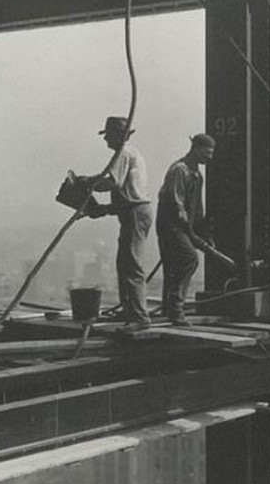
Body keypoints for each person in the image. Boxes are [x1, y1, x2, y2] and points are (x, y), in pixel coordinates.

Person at [81, 116, 153, 329]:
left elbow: (112, 183)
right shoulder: (130, 153)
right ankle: (129, 310)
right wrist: (103, 209)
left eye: (108, 135)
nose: (106, 140)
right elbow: (125, 194)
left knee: (131, 265)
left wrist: (88, 182)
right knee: (124, 264)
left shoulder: (123, 153)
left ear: (118, 135)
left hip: (135, 213)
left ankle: (139, 317)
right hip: (132, 212)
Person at [156, 133, 216, 327]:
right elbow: (177, 205)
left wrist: (204, 235)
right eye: (207, 152)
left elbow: (197, 210)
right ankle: (176, 309)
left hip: (182, 226)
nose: (210, 157)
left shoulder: (197, 176)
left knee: (173, 267)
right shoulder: (179, 170)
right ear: (196, 148)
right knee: (189, 259)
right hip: (170, 225)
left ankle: (169, 310)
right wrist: (190, 234)